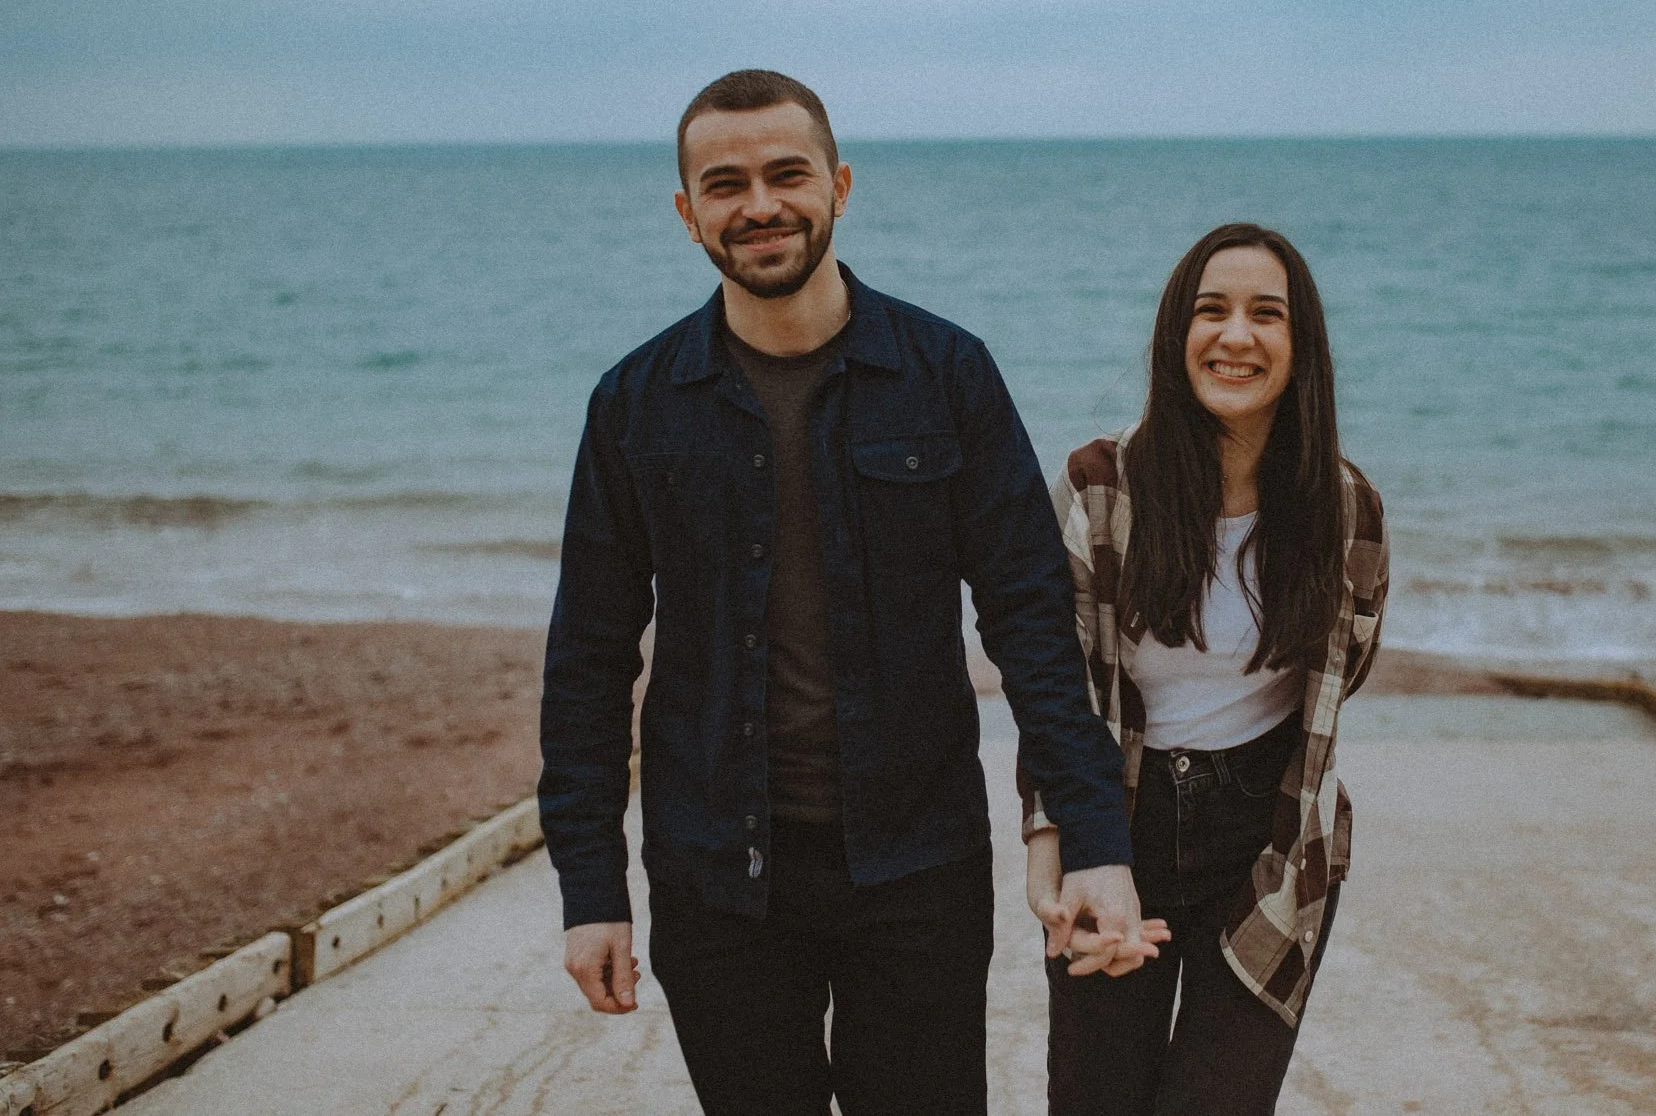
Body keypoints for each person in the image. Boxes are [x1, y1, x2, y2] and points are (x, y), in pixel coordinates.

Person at [538, 69, 1149, 1115]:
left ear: (840, 185)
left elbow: (1031, 628)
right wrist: (590, 892)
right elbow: (590, 657)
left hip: (915, 868)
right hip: (714, 881)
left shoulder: (945, 373)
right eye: (724, 185)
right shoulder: (634, 403)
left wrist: (1094, 842)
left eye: (787, 173)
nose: (760, 205)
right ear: (688, 215)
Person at [1019, 222, 1389, 1115]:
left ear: (1301, 349)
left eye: (1268, 314)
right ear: (1174, 334)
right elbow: (1053, 685)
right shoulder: (1100, 487)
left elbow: (1346, 671)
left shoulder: (1346, 509)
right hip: (1119, 824)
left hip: (1268, 840)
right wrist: (1050, 842)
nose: (1236, 335)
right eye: (1210, 310)